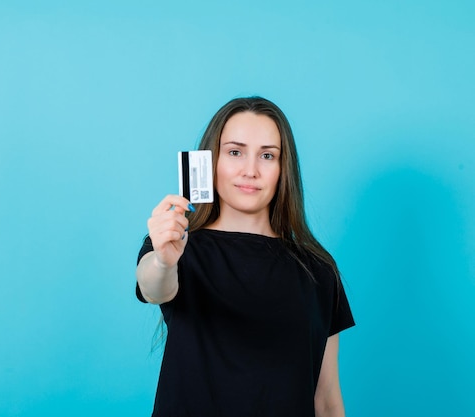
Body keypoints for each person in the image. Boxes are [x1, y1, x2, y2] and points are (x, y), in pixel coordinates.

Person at [135, 96, 355, 417]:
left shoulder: (318, 271)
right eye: (235, 152)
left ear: (283, 169)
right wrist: (164, 261)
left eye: (267, 155)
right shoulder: (177, 248)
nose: (250, 170)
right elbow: (154, 288)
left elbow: (327, 400)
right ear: (212, 160)